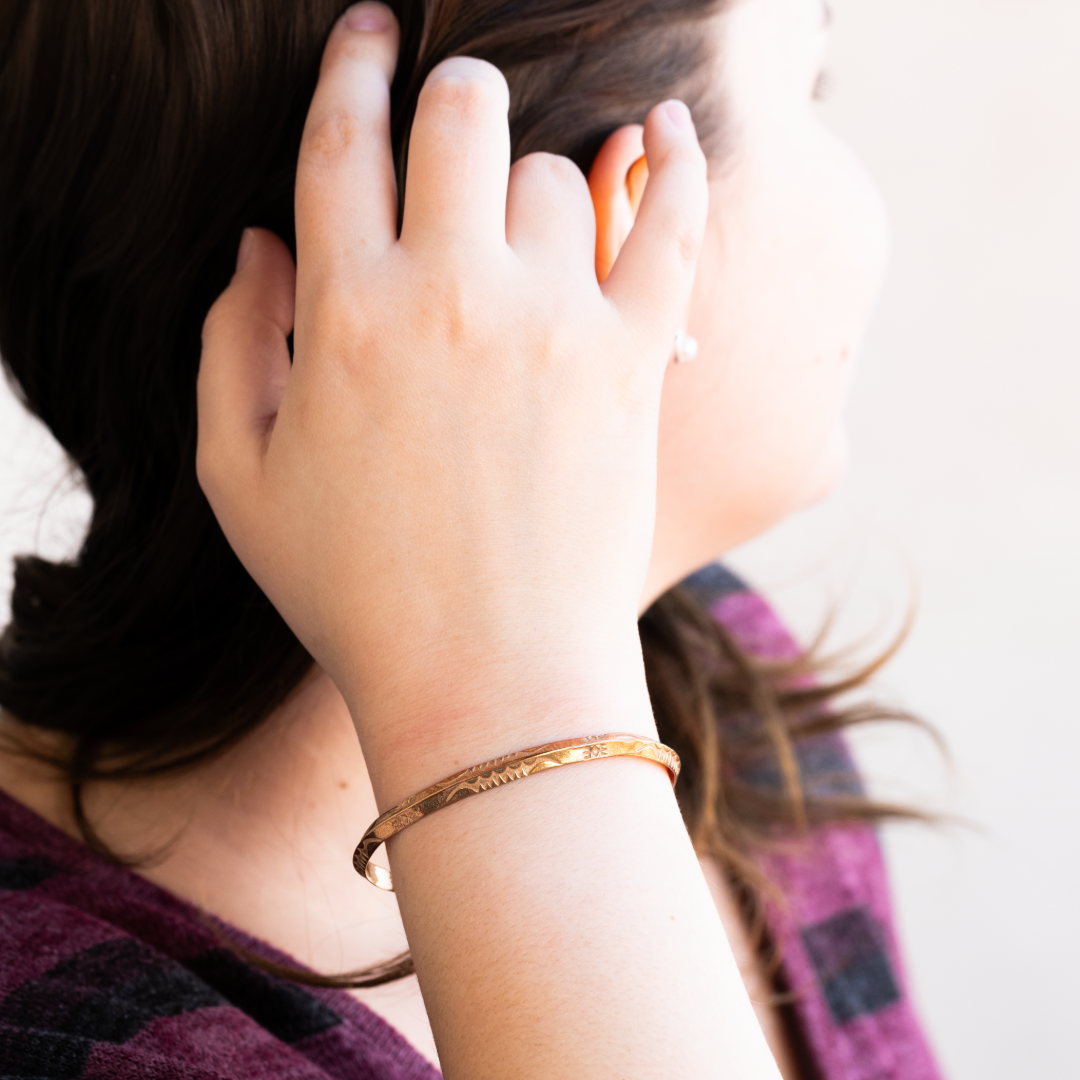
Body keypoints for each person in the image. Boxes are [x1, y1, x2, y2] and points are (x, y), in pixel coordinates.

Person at [0, 0, 942, 1077]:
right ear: (615, 229)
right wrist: (504, 714)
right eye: (810, 88)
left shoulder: (714, 670)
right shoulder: (69, 1039)